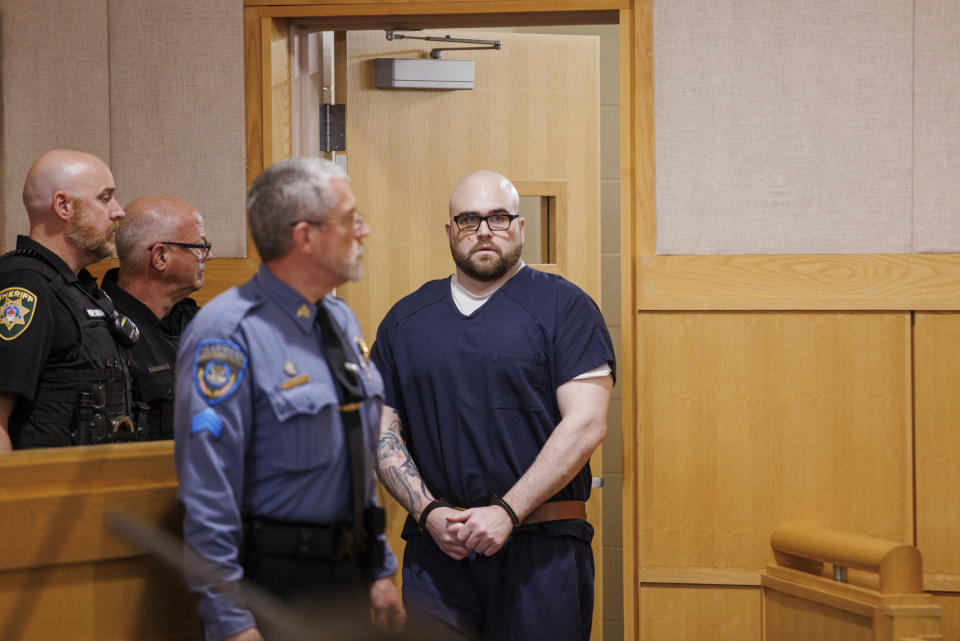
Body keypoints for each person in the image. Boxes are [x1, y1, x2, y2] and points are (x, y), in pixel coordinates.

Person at [371, 170, 615, 641]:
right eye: (468, 219)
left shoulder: (565, 308)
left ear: (520, 228)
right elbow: (381, 429)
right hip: (437, 553)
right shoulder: (405, 320)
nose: (484, 231)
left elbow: (587, 424)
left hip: (540, 555)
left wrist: (507, 511)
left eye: (498, 218)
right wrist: (428, 512)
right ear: (450, 231)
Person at [174, 157, 404, 641]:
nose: (364, 231)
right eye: (350, 219)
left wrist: (379, 568)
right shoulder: (228, 333)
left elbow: (354, 459)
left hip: (347, 579)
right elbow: (208, 494)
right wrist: (231, 622)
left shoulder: (338, 321)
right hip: (273, 586)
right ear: (306, 237)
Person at [0, 149, 138, 451]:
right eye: (105, 198)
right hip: (43, 490)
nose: (118, 211)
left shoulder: (81, 289)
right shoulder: (25, 286)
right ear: (63, 205)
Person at [101, 196, 208, 440]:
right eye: (199, 247)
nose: (207, 257)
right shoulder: (101, 331)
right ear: (160, 257)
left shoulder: (203, 323)